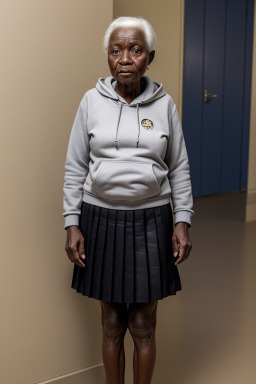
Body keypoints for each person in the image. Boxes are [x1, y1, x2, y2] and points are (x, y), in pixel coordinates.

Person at [63, 16, 194, 384]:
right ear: (107, 56)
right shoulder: (91, 102)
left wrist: (181, 221)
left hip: (151, 222)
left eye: (135, 50)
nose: (124, 58)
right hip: (100, 220)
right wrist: (72, 222)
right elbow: (75, 167)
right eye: (116, 50)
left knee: (142, 323)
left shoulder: (164, 104)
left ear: (149, 57)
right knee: (111, 321)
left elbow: (179, 168)